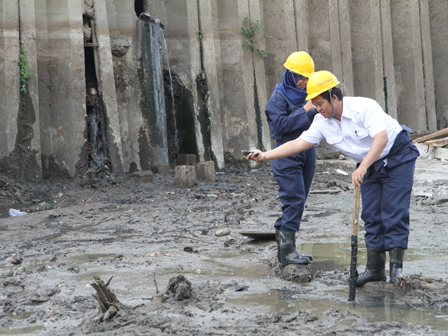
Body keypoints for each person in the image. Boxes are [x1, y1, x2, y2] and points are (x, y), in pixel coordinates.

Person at [243, 70, 420, 285]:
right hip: (368, 163)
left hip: (397, 155)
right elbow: (298, 143)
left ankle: (396, 273)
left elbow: (381, 138)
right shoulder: (322, 121)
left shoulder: (364, 107)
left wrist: (362, 167)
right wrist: (264, 155)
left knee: (394, 211)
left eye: (320, 104)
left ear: (333, 97)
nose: (317, 109)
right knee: (371, 215)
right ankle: (375, 269)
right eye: (314, 105)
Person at [263, 51, 317, 266]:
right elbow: (280, 127)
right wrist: (305, 109)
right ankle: (286, 253)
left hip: (307, 150)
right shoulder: (278, 98)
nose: (304, 82)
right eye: (300, 77)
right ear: (289, 75)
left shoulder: (310, 94)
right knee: (293, 200)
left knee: (299, 200)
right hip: (286, 154)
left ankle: (286, 245)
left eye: (307, 78)